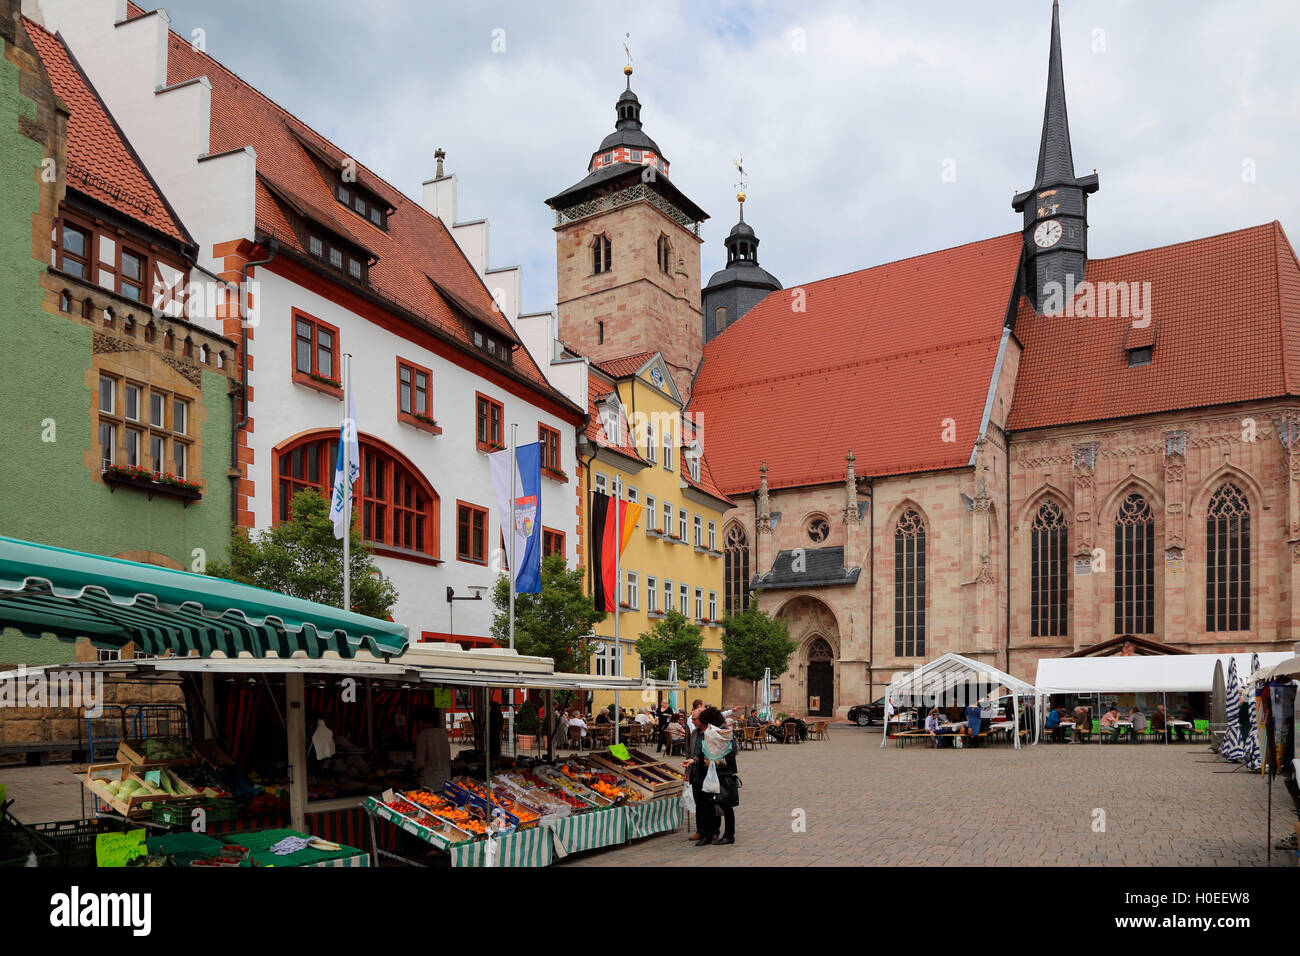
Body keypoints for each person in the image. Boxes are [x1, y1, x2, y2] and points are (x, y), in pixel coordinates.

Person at [684, 706, 738, 846]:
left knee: (725, 806)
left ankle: (729, 835)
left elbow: (731, 759)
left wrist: (716, 762)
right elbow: (703, 753)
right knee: (708, 805)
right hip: (709, 775)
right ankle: (706, 835)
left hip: (723, 776)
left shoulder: (726, 735)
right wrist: (693, 760)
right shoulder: (710, 733)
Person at [413, 707, 451, 793]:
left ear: (420, 721)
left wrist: (413, 769)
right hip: (445, 781)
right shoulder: (443, 734)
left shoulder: (422, 736)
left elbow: (419, 763)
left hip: (430, 783)